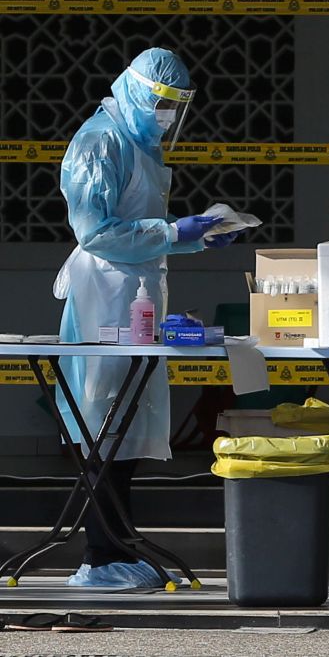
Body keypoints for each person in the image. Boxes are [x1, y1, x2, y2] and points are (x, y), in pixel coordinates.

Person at [54, 48, 242, 588]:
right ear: (134, 89)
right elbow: (96, 232)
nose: (166, 115)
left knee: (128, 422)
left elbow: (144, 231)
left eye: (176, 106)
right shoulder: (100, 140)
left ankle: (118, 544)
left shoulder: (141, 147)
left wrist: (196, 237)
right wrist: (173, 232)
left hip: (136, 291)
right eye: (160, 102)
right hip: (102, 294)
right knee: (101, 422)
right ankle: (97, 555)